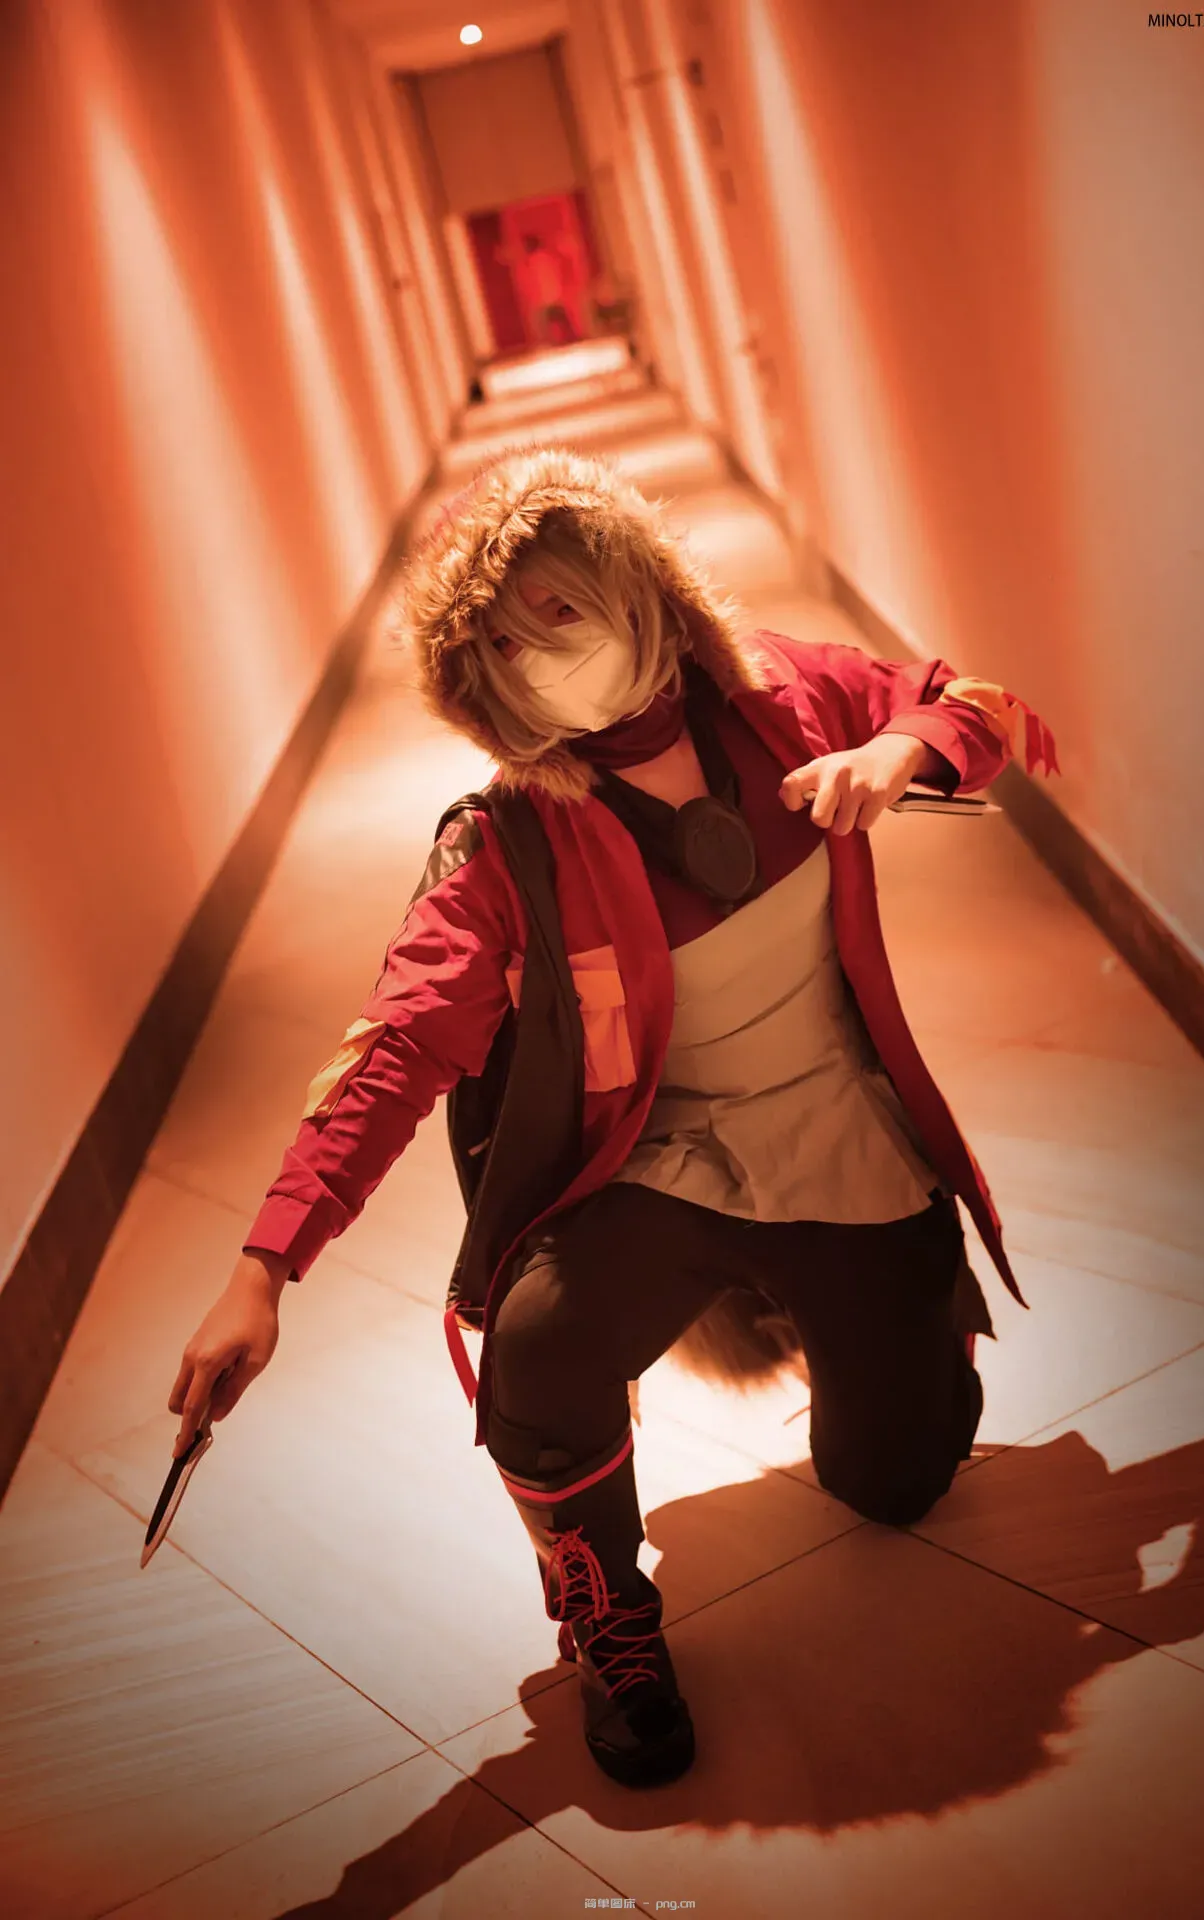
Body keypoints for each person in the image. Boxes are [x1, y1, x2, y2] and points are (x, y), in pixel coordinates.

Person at [169, 447, 1058, 1791]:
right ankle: (605, 1609)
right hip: (664, 1165)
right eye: (505, 642)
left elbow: (981, 706)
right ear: (480, 682)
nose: (546, 652)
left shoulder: (786, 696)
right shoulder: (508, 842)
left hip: (845, 1136)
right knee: (536, 1345)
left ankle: (894, 1343)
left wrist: (899, 749)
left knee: (897, 1482)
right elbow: (397, 1044)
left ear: (638, 580)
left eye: (562, 605)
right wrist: (264, 1265)